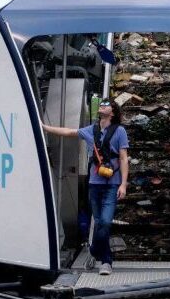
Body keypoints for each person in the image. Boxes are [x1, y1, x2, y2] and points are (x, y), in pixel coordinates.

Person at [42, 100, 129, 275]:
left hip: (112, 184)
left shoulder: (119, 131)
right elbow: (68, 132)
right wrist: (44, 127)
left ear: (112, 112)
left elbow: (123, 158)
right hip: (94, 184)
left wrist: (123, 184)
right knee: (98, 222)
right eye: (101, 104)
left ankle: (100, 253)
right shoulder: (91, 130)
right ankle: (105, 259)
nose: (102, 106)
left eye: (106, 105)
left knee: (104, 221)